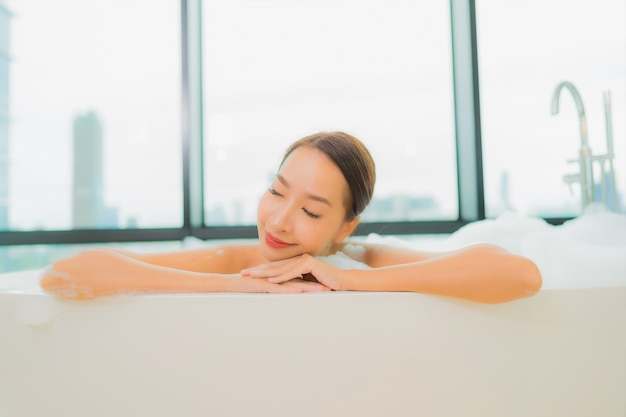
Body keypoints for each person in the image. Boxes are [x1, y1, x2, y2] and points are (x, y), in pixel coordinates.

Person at [40, 131, 542, 303]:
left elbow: (518, 274)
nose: (278, 221)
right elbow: (65, 274)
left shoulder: (362, 257)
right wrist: (234, 285)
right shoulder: (233, 259)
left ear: (345, 227)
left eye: (310, 210)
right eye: (276, 192)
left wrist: (351, 282)